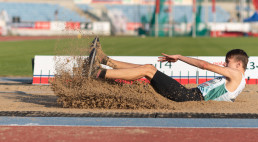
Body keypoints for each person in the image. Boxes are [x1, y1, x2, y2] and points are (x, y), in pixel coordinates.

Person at [87, 37, 249, 102]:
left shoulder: (236, 75)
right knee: (148, 69)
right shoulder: (239, 82)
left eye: (228, 62)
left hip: (187, 97)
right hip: (188, 95)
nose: (225, 65)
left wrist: (179, 56)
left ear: (238, 65)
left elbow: (205, 65)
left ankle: (99, 73)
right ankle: (103, 60)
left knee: (149, 70)